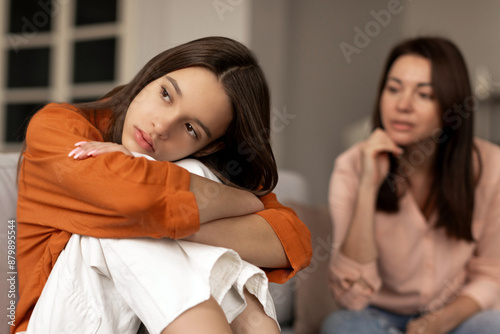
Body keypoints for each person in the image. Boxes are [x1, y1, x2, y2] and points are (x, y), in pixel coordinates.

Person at [14, 36, 312, 334]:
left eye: (191, 128)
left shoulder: (198, 163)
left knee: (177, 184)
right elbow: (134, 199)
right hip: (56, 323)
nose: (161, 126)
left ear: (210, 146)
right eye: (166, 94)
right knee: (130, 219)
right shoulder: (55, 126)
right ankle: (248, 325)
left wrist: (175, 226)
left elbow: (292, 240)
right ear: (151, 76)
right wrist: (232, 204)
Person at [321, 37, 500, 334]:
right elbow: (351, 296)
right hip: (375, 316)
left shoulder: (491, 167)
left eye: (424, 94)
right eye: (393, 89)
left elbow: (491, 275)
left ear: (451, 106)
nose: (402, 105)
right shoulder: (351, 166)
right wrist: (368, 186)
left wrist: (439, 322)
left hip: (453, 316)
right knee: (341, 326)